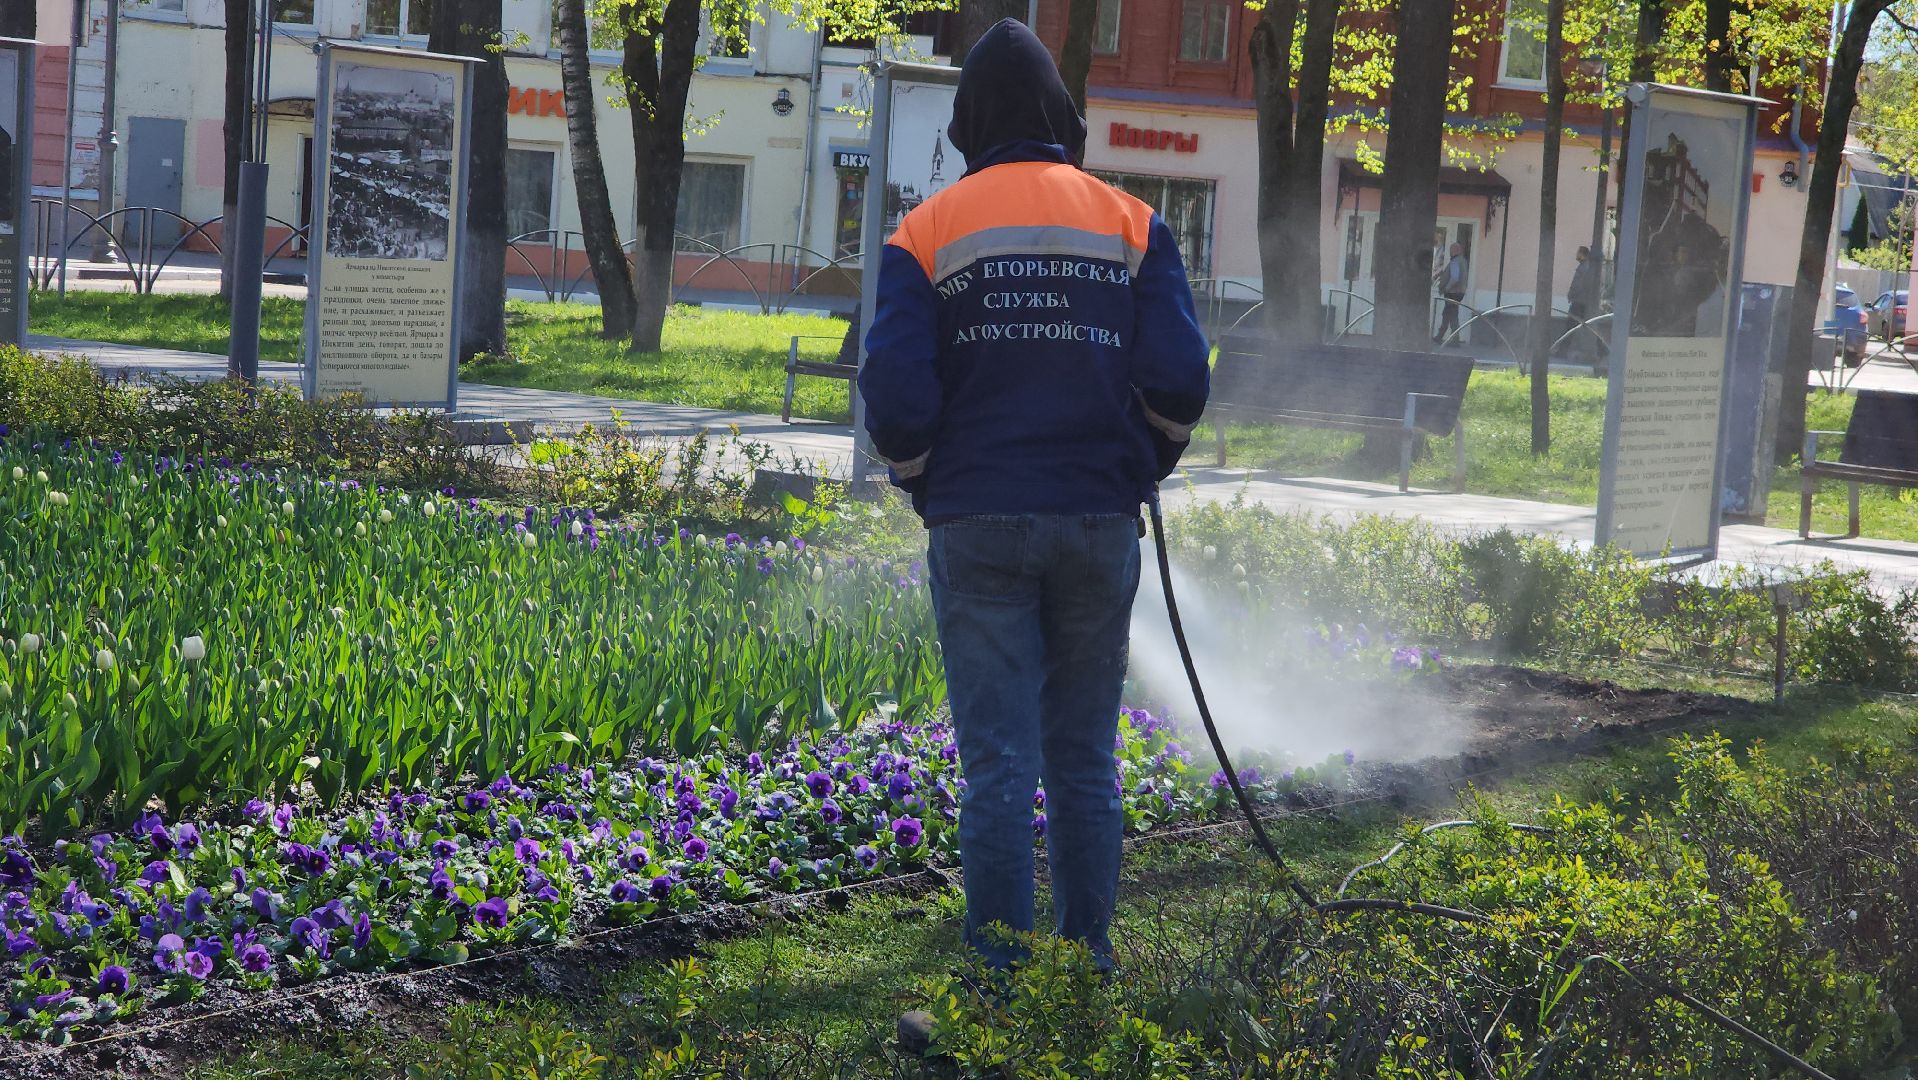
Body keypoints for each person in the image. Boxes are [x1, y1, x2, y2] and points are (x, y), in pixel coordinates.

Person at [858, 17, 1210, 1055]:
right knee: (1085, 761)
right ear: (1061, 113)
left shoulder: (927, 230)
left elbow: (896, 399)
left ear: (968, 122)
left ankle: (998, 998)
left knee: (999, 767)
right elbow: (1180, 380)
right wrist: (1141, 463)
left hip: (978, 524)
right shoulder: (1132, 222)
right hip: (1098, 522)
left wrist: (927, 481)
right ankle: (1084, 982)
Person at [1565, 246, 1600, 360]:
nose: (1576, 255)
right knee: (1583, 326)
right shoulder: (1586, 266)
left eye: (1578, 252)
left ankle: (1562, 349)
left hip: (1579, 301)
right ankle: (1601, 350)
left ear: (1582, 254)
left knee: (1570, 325)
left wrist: (1571, 294)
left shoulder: (1583, 267)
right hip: (1583, 301)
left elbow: (1578, 284)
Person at [1433, 241, 1467, 345]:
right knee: (1448, 314)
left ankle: (1454, 340)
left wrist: (1446, 288)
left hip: (1453, 293)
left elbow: (1454, 278)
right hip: (1459, 292)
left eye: (1451, 250)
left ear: (1455, 250)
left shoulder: (1455, 261)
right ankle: (1441, 336)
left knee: (1451, 315)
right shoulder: (1463, 261)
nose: (1450, 252)